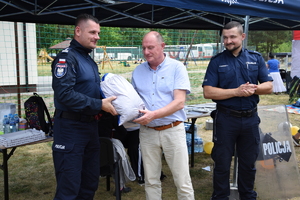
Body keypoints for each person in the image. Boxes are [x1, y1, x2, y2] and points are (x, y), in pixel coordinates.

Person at [202, 21, 273, 200]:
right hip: (226, 119)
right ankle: (220, 197)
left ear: (242, 36)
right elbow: (208, 92)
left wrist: (253, 89)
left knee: (248, 163)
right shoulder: (217, 61)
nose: (228, 41)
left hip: (250, 119)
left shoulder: (256, 58)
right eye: (225, 37)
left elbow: (269, 86)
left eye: (232, 36)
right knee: (222, 164)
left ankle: (247, 196)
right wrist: (236, 91)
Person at [51, 14, 117, 200]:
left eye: (98, 32)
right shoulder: (66, 58)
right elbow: (64, 94)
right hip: (70, 130)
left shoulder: (88, 59)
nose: (97, 36)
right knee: (69, 188)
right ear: (78, 31)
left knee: (89, 184)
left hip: (90, 128)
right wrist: (99, 104)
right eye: (93, 32)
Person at [132, 31, 194, 200]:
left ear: (162, 46)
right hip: (147, 132)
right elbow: (134, 102)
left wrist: (153, 115)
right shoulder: (137, 71)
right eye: (144, 48)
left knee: (182, 181)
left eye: (150, 47)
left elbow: (179, 102)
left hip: (172, 130)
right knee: (151, 180)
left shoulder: (177, 68)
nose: (146, 52)